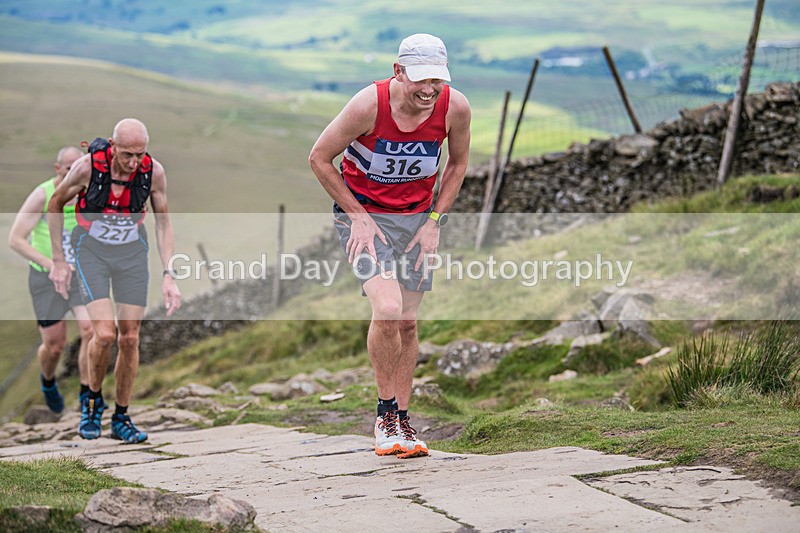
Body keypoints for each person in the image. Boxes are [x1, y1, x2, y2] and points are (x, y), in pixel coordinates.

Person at [309, 33, 471, 458]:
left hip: (417, 220)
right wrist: (357, 215)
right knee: (388, 309)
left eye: (437, 79)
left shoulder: (455, 107)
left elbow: (457, 163)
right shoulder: (369, 105)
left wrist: (435, 221)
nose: (428, 89)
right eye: (420, 79)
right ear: (398, 72)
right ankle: (383, 417)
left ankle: (402, 417)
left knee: (409, 322)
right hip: (365, 218)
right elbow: (319, 158)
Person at [47, 118, 181, 444]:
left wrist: (169, 274)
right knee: (104, 333)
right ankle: (92, 401)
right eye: (126, 155)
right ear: (112, 145)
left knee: (130, 339)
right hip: (91, 252)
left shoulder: (154, 173)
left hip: (132, 254)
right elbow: (55, 204)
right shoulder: (86, 168)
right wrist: (59, 261)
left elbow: (164, 225)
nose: (133, 162)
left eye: (140, 154)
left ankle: (121, 417)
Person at [8, 147, 94, 414]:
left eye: (79, 167)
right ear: (57, 169)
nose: (75, 173)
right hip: (47, 278)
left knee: (90, 330)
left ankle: (86, 396)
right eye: (69, 169)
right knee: (54, 346)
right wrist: (52, 265)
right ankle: (48, 382)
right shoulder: (43, 195)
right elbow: (16, 240)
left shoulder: (86, 192)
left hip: (81, 274)